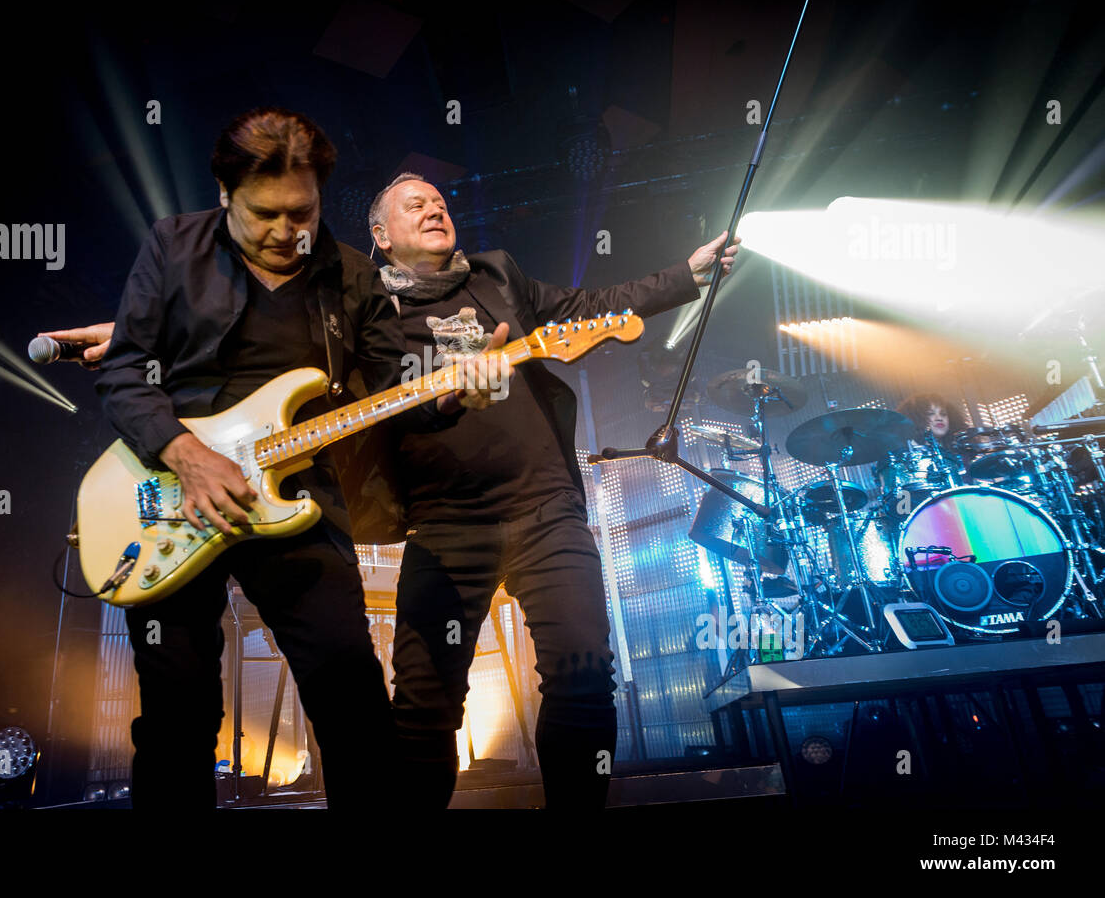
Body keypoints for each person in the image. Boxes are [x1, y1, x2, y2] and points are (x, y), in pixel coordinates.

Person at [68, 109, 510, 810]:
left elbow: (401, 387)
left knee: (352, 694)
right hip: (171, 493)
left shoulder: (352, 277)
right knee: (177, 715)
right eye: (263, 215)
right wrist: (186, 454)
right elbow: (124, 372)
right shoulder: (172, 247)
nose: (285, 232)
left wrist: (459, 393)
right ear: (224, 194)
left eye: (300, 213)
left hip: (298, 497)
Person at [366, 173, 737, 809]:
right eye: (414, 204)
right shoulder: (369, 308)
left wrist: (686, 277)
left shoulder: (498, 275)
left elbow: (587, 306)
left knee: (585, 676)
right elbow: (383, 407)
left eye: (440, 201)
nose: (434, 208)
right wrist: (450, 389)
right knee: (424, 703)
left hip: (545, 509)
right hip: (447, 523)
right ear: (380, 235)